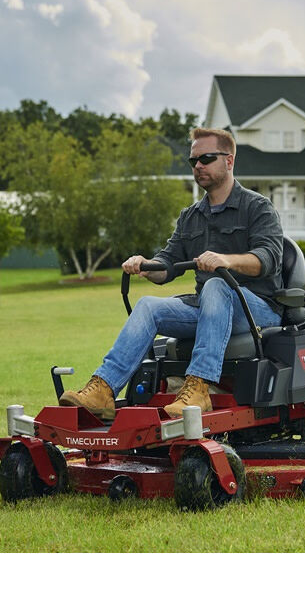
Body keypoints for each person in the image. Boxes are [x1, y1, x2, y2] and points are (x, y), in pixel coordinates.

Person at [59, 126, 284, 421]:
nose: (198, 166)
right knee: (149, 306)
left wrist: (225, 261)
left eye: (206, 158)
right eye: (193, 161)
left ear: (228, 161)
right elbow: (167, 264)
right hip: (207, 306)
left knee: (216, 285)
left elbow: (268, 259)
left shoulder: (257, 207)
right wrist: (145, 264)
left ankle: (199, 388)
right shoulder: (190, 217)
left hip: (256, 309)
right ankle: (103, 390)